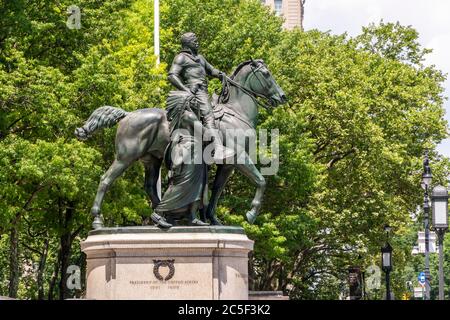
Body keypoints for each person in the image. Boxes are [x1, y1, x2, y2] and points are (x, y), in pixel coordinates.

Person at [168, 32, 234, 162]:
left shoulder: (200, 58)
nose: (197, 42)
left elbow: (211, 70)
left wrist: (220, 74)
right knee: (208, 115)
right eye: (194, 40)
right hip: (195, 91)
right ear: (187, 43)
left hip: (203, 91)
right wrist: (186, 90)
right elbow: (172, 75)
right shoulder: (181, 57)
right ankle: (218, 148)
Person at [151, 92, 209, 228]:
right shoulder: (189, 116)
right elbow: (205, 133)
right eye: (194, 101)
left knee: (198, 185)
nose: (197, 104)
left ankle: (192, 216)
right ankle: (158, 212)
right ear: (187, 103)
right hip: (190, 150)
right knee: (183, 183)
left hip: (196, 152)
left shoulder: (184, 116)